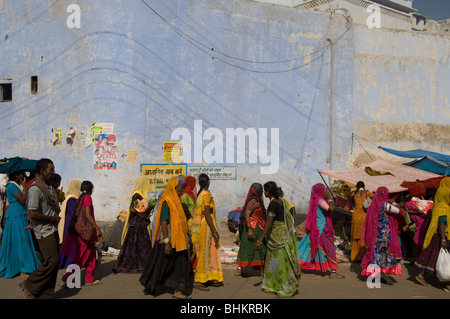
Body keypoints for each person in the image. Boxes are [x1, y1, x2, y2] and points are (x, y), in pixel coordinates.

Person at [139, 176, 192, 299]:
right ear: (174, 188)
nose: (182, 190)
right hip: (166, 238)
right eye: (180, 188)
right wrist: (167, 243)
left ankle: (178, 291)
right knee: (159, 262)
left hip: (178, 239)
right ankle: (150, 284)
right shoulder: (166, 201)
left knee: (180, 263)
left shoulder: (176, 201)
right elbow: (164, 221)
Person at [20, 158, 61, 299]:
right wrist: (52, 219)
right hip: (43, 231)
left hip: (52, 229)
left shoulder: (48, 186)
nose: (53, 172)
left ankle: (45, 294)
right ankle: (29, 284)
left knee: (54, 264)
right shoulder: (35, 189)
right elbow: (32, 212)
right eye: (51, 169)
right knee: (52, 261)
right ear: (42, 171)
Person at [255, 181, 300, 298]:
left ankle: (284, 288)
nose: (264, 192)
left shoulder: (273, 204)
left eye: (265, 190)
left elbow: (269, 223)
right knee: (275, 262)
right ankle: (272, 285)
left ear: (268, 192)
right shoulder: (281, 202)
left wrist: (260, 239)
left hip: (277, 236)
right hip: (280, 234)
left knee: (279, 263)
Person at [298, 183, 345, 279]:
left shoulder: (318, 200)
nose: (326, 191)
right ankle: (333, 272)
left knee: (305, 247)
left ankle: (296, 265)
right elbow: (331, 208)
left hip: (318, 229)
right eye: (324, 189)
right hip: (321, 231)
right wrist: (330, 199)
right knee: (329, 249)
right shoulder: (320, 201)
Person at [61, 181, 102, 286]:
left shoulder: (80, 198)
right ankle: (68, 279)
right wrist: (97, 228)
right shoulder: (87, 198)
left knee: (92, 256)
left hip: (82, 232)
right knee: (81, 257)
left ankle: (89, 278)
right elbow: (88, 215)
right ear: (90, 189)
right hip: (86, 233)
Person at [0, 172, 41, 279]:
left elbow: (31, 177)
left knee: (22, 239)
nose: (23, 175)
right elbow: (22, 200)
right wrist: (23, 188)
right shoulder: (11, 186)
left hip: (20, 214)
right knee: (20, 240)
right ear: (16, 175)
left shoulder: (16, 184)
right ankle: (23, 268)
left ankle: (23, 266)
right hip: (15, 216)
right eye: (21, 173)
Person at [360, 186, 403, 285]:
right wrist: (392, 202)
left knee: (376, 252)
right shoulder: (385, 205)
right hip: (384, 234)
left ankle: (377, 270)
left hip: (375, 233)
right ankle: (381, 271)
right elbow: (399, 211)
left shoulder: (373, 204)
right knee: (384, 252)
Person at [112, 176, 152, 274]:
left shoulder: (141, 195)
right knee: (138, 246)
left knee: (137, 246)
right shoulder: (137, 195)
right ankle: (137, 267)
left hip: (140, 223)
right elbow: (133, 209)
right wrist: (145, 210)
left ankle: (140, 266)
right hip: (138, 224)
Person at [191, 173, 223, 291]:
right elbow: (208, 214)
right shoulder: (206, 195)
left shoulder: (200, 194)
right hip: (207, 226)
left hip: (202, 225)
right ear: (207, 182)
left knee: (206, 251)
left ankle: (208, 276)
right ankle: (200, 279)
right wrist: (214, 231)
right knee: (205, 252)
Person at [414, 187, 450, 287]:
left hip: (437, 236)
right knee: (436, 258)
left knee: (434, 258)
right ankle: (422, 276)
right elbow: (441, 223)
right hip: (440, 237)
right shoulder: (443, 207)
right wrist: (443, 239)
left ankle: (422, 276)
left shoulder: (438, 206)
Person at [235, 183, 267, 278]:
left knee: (261, 250)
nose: (261, 192)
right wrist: (249, 229)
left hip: (259, 229)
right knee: (246, 249)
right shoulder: (253, 201)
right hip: (252, 229)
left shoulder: (258, 201)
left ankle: (263, 272)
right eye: (260, 190)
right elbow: (247, 213)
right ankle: (239, 269)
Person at [58, 178, 82, 269]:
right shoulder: (72, 199)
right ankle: (70, 262)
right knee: (71, 244)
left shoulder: (68, 197)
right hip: (71, 223)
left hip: (69, 222)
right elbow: (73, 213)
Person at [350, 181, 373, 262]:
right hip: (364, 216)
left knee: (355, 237)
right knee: (363, 236)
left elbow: (351, 204)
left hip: (355, 216)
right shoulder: (368, 193)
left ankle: (354, 257)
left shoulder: (353, 194)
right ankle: (364, 257)